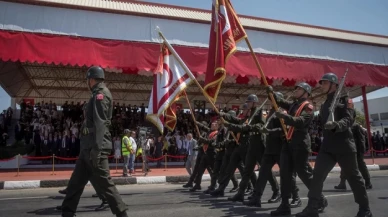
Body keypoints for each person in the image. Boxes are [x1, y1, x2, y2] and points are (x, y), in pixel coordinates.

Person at [296, 73, 372, 217]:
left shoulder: (345, 100)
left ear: (334, 84)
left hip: (344, 145)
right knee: (317, 176)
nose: (322, 85)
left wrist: (336, 125)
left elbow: (349, 119)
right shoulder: (325, 104)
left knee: (354, 178)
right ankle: (312, 208)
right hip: (328, 146)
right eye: (322, 83)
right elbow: (321, 122)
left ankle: (365, 209)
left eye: (325, 83)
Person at [61, 66, 128, 217]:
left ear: (91, 79)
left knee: (106, 184)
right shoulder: (96, 94)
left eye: (87, 80)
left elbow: (100, 123)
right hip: (88, 147)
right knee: (75, 183)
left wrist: (97, 150)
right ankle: (67, 212)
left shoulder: (101, 94)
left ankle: (122, 214)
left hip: (95, 147)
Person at [266, 83, 326, 216]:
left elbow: (300, 121)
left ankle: (320, 199)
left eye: (298, 89)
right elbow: (280, 101)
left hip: (300, 144)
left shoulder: (308, 107)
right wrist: (271, 93)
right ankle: (285, 205)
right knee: (285, 174)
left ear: (306, 92)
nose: (295, 90)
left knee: (304, 174)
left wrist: (284, 116)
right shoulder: (293, 104)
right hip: (288, 143)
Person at [244, 92, 299, 208]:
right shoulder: (271, 112)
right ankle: (256, 197)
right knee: (263, 174)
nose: (271, 101)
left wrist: (269, 131)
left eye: (273, 99)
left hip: (280, 148)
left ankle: (296, 197)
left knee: (287, 174)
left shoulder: (282, 112)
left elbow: (283, 130)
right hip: (269, 148)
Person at [222, 95, 279, 202]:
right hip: (252, 144)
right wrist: (225, 116)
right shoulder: (251, 113)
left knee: (265, 170)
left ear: (254, 103)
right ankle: (240, 193)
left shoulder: (259, 111)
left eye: (249, 102)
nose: (247, 103)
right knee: (247, 170)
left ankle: (276, 191)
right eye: (247, 102)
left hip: (259, 144)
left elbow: (262, 124)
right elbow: (239, 121)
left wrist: (251, 127)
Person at [57, 103, 108, 212]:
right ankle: (68, 203)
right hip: (84, 154)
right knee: (76, 179)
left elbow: (97, 138)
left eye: (86, 110)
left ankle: (107, 200)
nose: (84, 111)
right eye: (84, 110)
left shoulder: (94, 122)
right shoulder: (86, 122)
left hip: (90, 156)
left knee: (95, 180)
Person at [335, 121, 372, 190]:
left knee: (361, 166)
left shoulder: (356, 126)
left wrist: (361, 151)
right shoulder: (344, 125)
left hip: (356, 150)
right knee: (344, 166)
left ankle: (368, 182)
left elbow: (361, 139)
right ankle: (342, 183)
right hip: (347, 150)